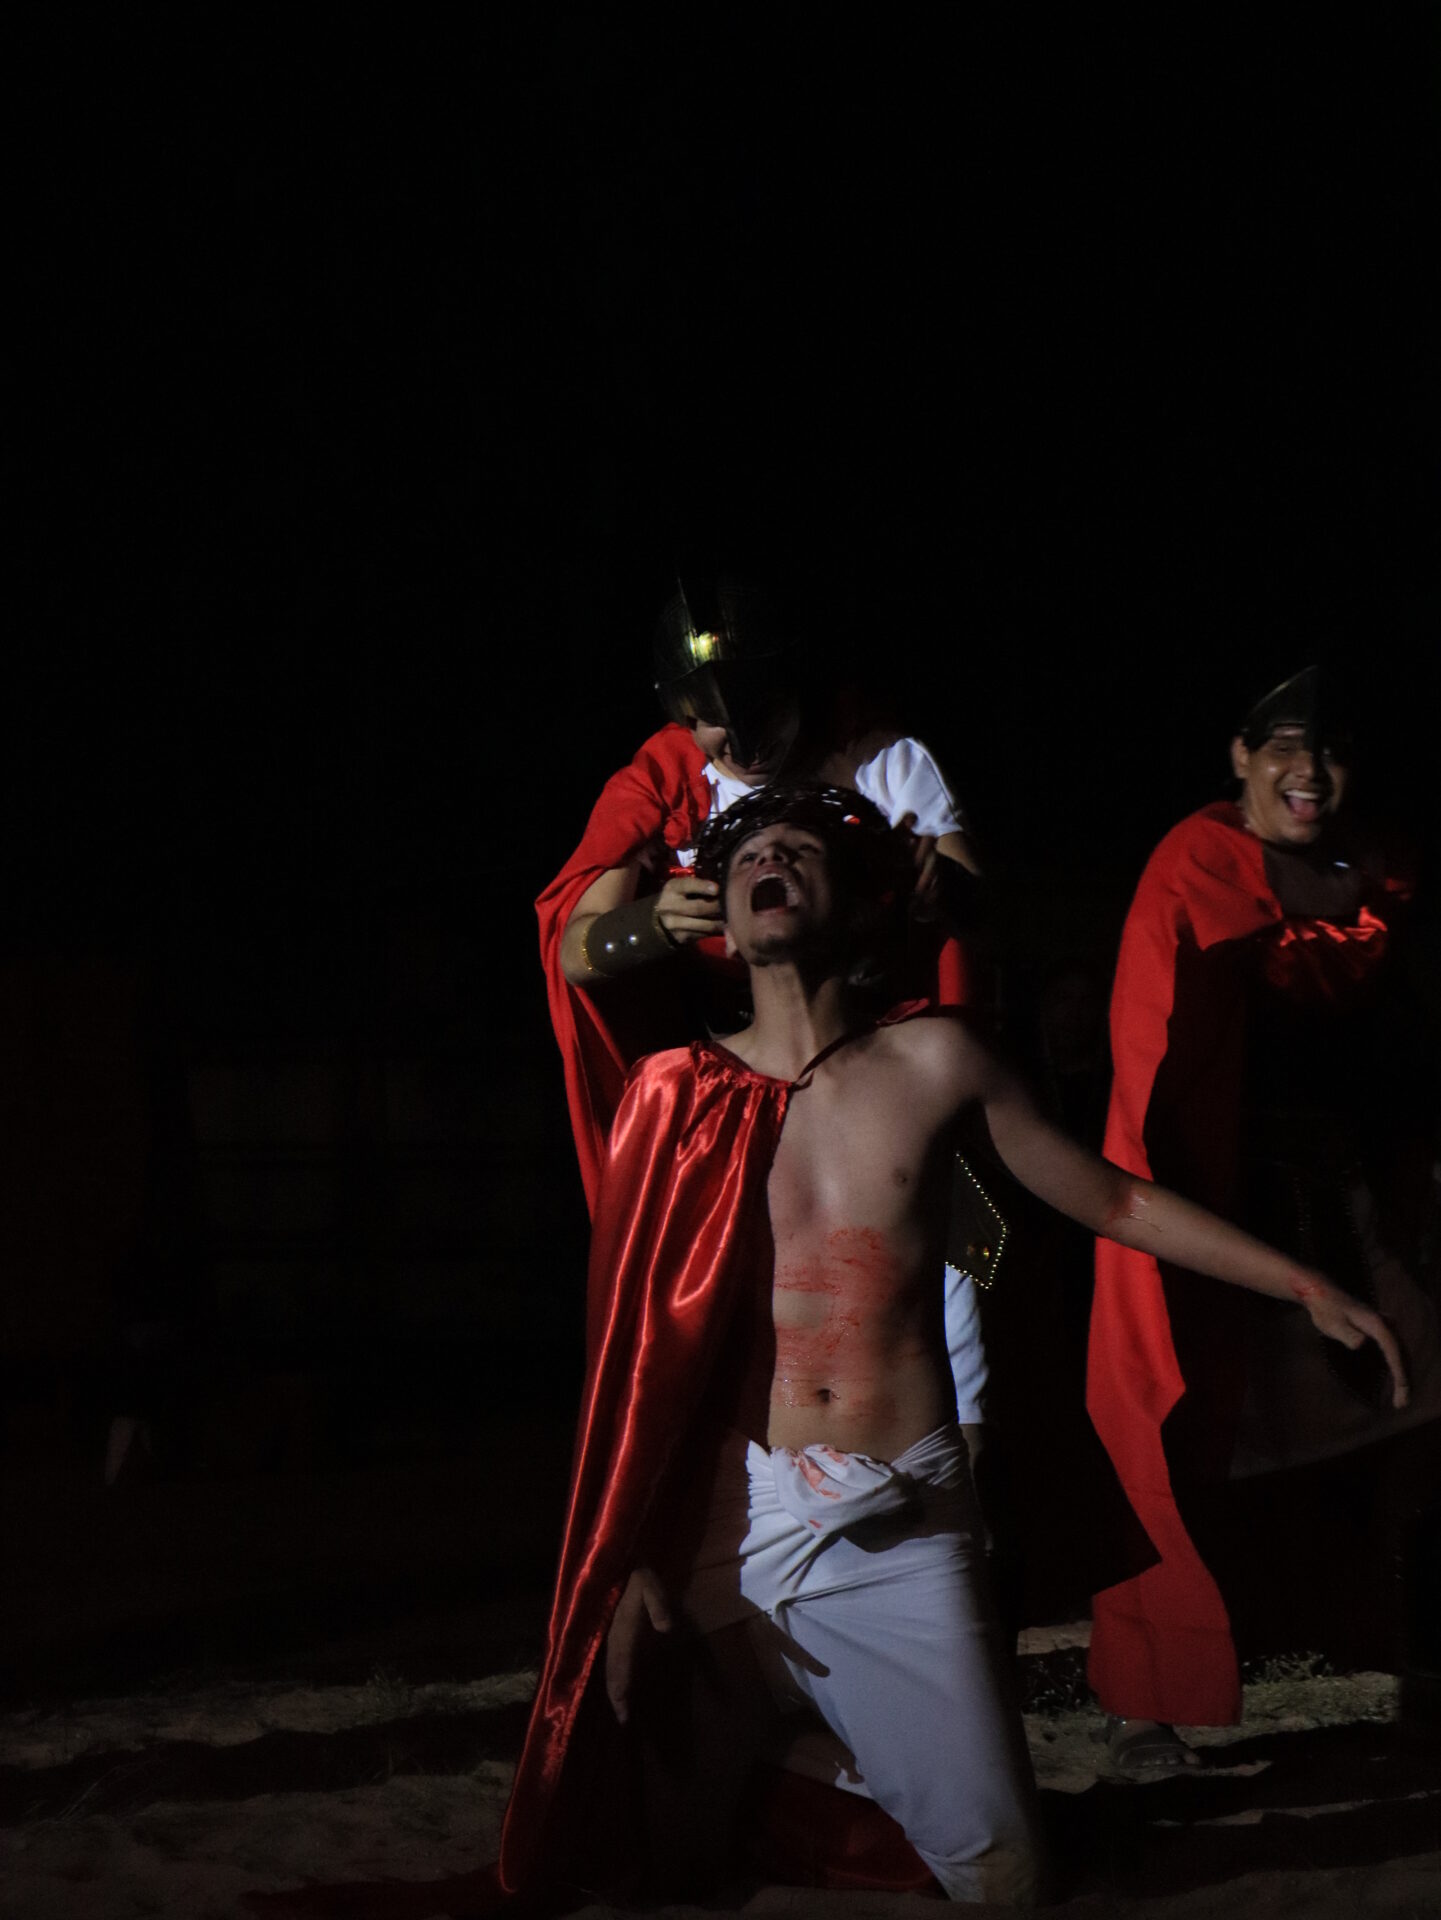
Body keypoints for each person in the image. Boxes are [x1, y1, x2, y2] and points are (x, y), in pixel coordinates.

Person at [497, 782, 1405, 1907]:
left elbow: (1112, 1200)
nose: (770, 859)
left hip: (899, 1515)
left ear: (859, 902)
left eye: (800, 849)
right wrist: (633, 1554)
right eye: (747, 855)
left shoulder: (937, 1061)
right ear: (717, 920)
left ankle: (855, 1750)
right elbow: (634, 1359)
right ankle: (808, 1750)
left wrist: (1301, 1281)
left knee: (1004, 1878)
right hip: (727, 1514)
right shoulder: (670, 1094)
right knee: (662, 1844)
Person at [1086, 667, 1441, 1774]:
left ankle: (1414, 1662)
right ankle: (1145, 1699)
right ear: (1238, 756)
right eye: (1283, 744)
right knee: (1177, 1425)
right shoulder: (1198, 862)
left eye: (1329, 750)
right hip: (1206, 1192)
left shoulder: (1381, 870)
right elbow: (1179, 1044)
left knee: (1418, 1403)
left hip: (1345, 1180)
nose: (1308, 771)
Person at [537, 574, 992, 1416]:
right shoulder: (662, 782)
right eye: (711, 720)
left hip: (888, 1078)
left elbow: (977, 905)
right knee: (751, 1343)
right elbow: (576, 949)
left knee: (957, 1325)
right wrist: (651, 922)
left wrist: (934, 884)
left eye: (758, 709)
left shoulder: (876, 757)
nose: (740, 740)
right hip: (749, 1097)